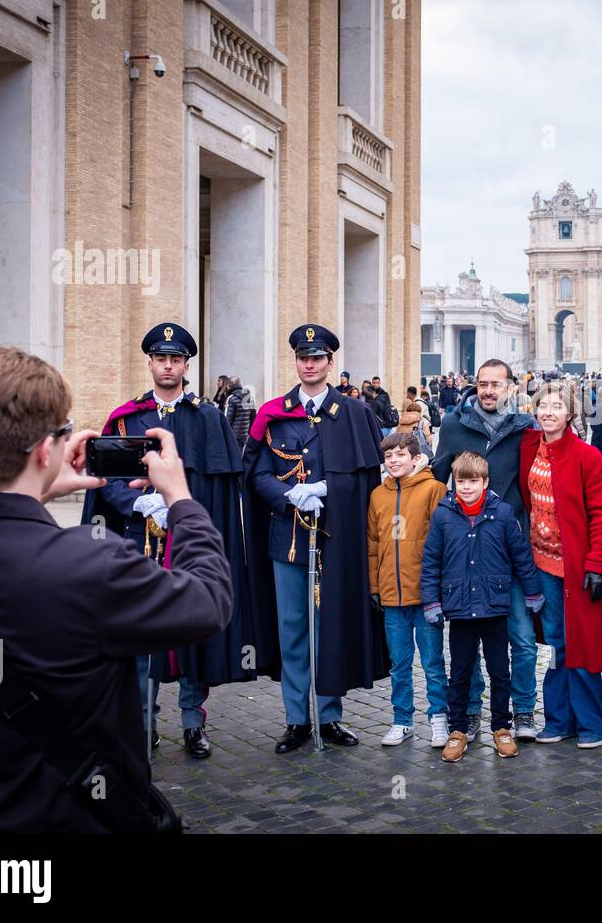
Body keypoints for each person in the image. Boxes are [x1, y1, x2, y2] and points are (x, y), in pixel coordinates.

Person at [0, 346, 231, 832]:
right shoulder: (92, 565)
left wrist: (36, 486)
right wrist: (180, 497)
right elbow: (208, 600)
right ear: (42, 451)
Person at [81, 323, 257, 759]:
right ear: (151, 363)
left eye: (175, 359)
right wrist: (138, 505)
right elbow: (108, 480)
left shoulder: (207, 417)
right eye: (161, 358)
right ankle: (144, 722)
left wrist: (185, 512)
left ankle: (193, 722)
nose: (167, 365)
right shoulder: (127, 417)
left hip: (189, 543)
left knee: (190, 629)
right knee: (143, 633)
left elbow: (222, 487)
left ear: (186, 365)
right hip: (138, 542)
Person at [242, 323, 386, 754]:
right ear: (296, 362)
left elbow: (366, 479)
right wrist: (289, 496)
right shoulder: (273, 412)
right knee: (292, 628)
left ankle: (329, 714)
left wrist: (326, 490)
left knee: (329, 626)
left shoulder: (355, 413)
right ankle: (295, 719)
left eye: (317, 358)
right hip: (287, 538)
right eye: (303, 358)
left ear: (330, 363)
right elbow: (256, 474)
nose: (309, 364)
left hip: (335, 540)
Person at [433, 358, 540, 741]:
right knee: (469, 640)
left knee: (522, 640)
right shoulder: (453, 425)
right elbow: (436, 480)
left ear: (512, 386)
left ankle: (523, 711)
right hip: (466, 554)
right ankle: (474, 712)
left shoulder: (526, 429)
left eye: (496, 384)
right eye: (482, 384)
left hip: (512, 551)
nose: (489, 390)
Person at [421, 452, 543, 762]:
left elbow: (521, 557)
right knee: (460, 672)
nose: (466, 487)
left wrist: (532, 593)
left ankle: (502, 727)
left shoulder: (502, 514)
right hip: (460, 608)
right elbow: (431, 560)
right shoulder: (444, 515)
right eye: (460, 481)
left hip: (494, 607)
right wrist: (432, 601)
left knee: (500, 671)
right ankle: (458, 729)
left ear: (485, 482)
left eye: (473, 481)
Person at [517, 382, 602, 749]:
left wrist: (598, 564)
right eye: (542, 405)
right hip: (541, 565)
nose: (548, 412)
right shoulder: (528, 448)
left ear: (570, 413)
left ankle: (593, 724)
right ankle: (559, 719)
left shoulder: (587, 457)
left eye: (556, 406)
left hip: (577, 568)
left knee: (582, 646)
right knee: (557, 645)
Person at [368, 431, 450, 748]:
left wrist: (440, 589)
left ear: (416, 458)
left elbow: (443, 543)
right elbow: (372, 545)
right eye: (388, 456)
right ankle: (402, 720)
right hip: (392, 596)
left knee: (432, 661)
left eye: (400, 455)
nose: (393, 461)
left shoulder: (433, 490)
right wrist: (375, 586)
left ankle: (439, 719)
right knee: (399, 664)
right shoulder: (378, 495)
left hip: (425, 596)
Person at [223, 376, 257, 451]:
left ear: (229, 386)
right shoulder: (249, 398)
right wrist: (249, 433)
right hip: (244, 435)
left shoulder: (231, 398)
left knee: (234, 458)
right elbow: (253, 417)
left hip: (233, 436)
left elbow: (226, 420)